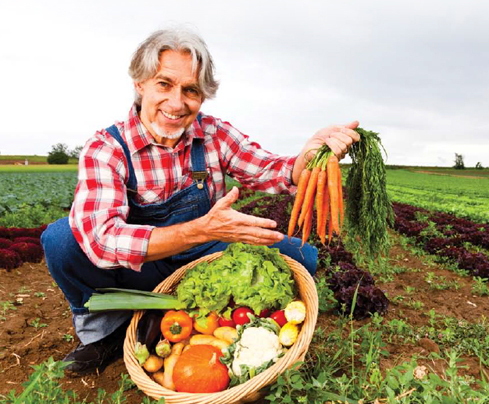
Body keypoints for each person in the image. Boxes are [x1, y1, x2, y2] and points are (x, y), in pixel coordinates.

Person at [41, 27, 359, 374]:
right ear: (140, 84)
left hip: (205, 258)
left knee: (304, 259)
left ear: (203, 96)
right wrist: (201, 229)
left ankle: (192, 315)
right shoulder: (107, 148)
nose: (177, 103)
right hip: (141, 268)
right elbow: (102, 241)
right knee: (62, 241)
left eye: (190, 90)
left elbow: (271, 170)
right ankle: (108, 334)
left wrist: (307, 159)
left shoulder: (212, 134)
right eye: (164, 84)